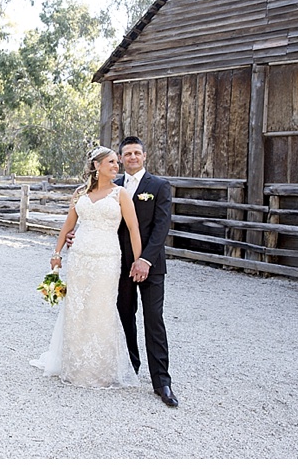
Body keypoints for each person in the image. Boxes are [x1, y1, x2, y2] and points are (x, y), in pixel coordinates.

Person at [31, 146, 142, 388]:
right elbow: (68, 225)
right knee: (77, 308)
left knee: (101, 308)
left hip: (107, 257)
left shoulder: (120, 194)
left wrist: (137, 260)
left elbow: (134, 229)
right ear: (96, 165)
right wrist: (56, 253)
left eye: (117, 162)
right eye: (111, 162)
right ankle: (75, 366)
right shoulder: (80, 193)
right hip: (79, 258)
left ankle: (101, 371)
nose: (117, 166)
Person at [116, 136, 177, 407]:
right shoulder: (114, 186)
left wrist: (145, 260)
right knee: (124, 316)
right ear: (119, 158)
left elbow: (161, 228)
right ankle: (130, 369)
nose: (132, 157)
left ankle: (162, 382)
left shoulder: (159, 186)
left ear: (144, 155)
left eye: (136, 153)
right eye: (127, 153)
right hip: (119, 265)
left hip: (150, 266)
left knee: (154, 320)